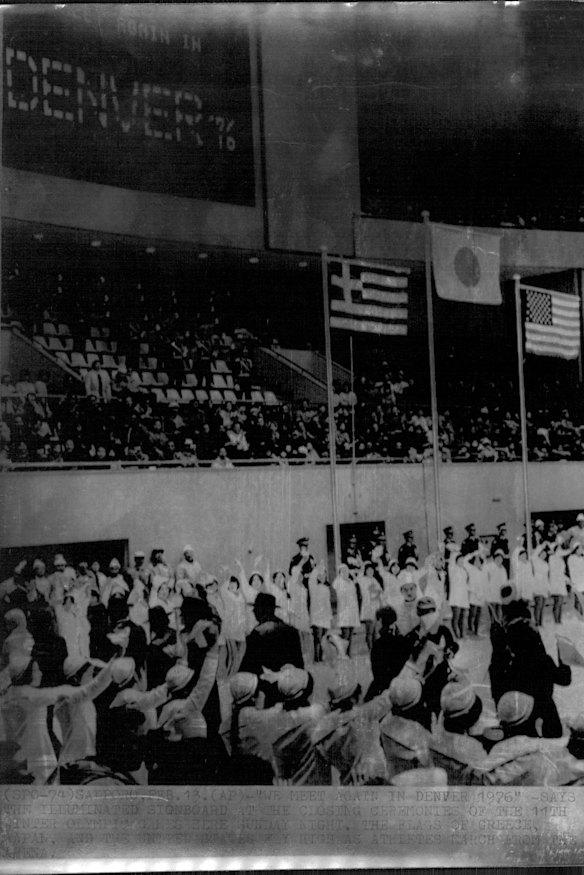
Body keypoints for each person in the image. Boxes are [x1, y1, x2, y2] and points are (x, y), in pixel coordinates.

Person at [489, 599, 571, 737]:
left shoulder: (505, 662)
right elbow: (564, 679)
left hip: (516, 720)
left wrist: (497, 649)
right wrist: (564, 659)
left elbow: (497, 692)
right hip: (545, 718)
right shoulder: (542, 659)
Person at [312, 662, 392, 785]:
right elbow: (392, 695)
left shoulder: (320, 732)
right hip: (376, 782)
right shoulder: (364, 714)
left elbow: (323, 778)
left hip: (348, 787)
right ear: (355, 697)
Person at [239, 593, 304, 702]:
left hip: (267, 692)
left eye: (256, 609)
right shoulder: (291, 630)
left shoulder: (257, 633)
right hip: (292, 688)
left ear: (260, 611)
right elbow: (299, 664)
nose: (253, 612)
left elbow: (248, 668)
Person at [332, 564, 360, 657]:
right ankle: (342, 652)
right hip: (343, 611)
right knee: (346, 633)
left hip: (352, 611)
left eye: (346, 571)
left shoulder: (351, 582)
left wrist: (353, 575)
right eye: (342, 571)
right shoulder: (338, 582)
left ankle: (348, 653)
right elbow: (334, 589)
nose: (345, 573)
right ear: (339, 573)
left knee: (351, 634)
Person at [307, 562, 332, 662]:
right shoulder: (313, 587)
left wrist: (330, 617)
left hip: (325, 617)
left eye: (323, 575)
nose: (322, 577)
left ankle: (321, 658)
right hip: (317, 617)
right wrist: (317, 568)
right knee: (317, 638)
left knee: (322, 639)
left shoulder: (326, 588)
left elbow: (328, 604)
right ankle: (316, 659)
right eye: (319, 575)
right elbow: (311, 579)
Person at [448, 550, 469, 640]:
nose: (461, 561)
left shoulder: (464, 570)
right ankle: (456, 635)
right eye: (459, 559)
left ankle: (463, 634)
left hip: (463, 597)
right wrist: (454, 552)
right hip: (456, 597)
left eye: (462, 560)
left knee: (464, 616)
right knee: (456, 616)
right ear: (455, 560)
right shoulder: (452, 569)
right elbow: (451, 561)